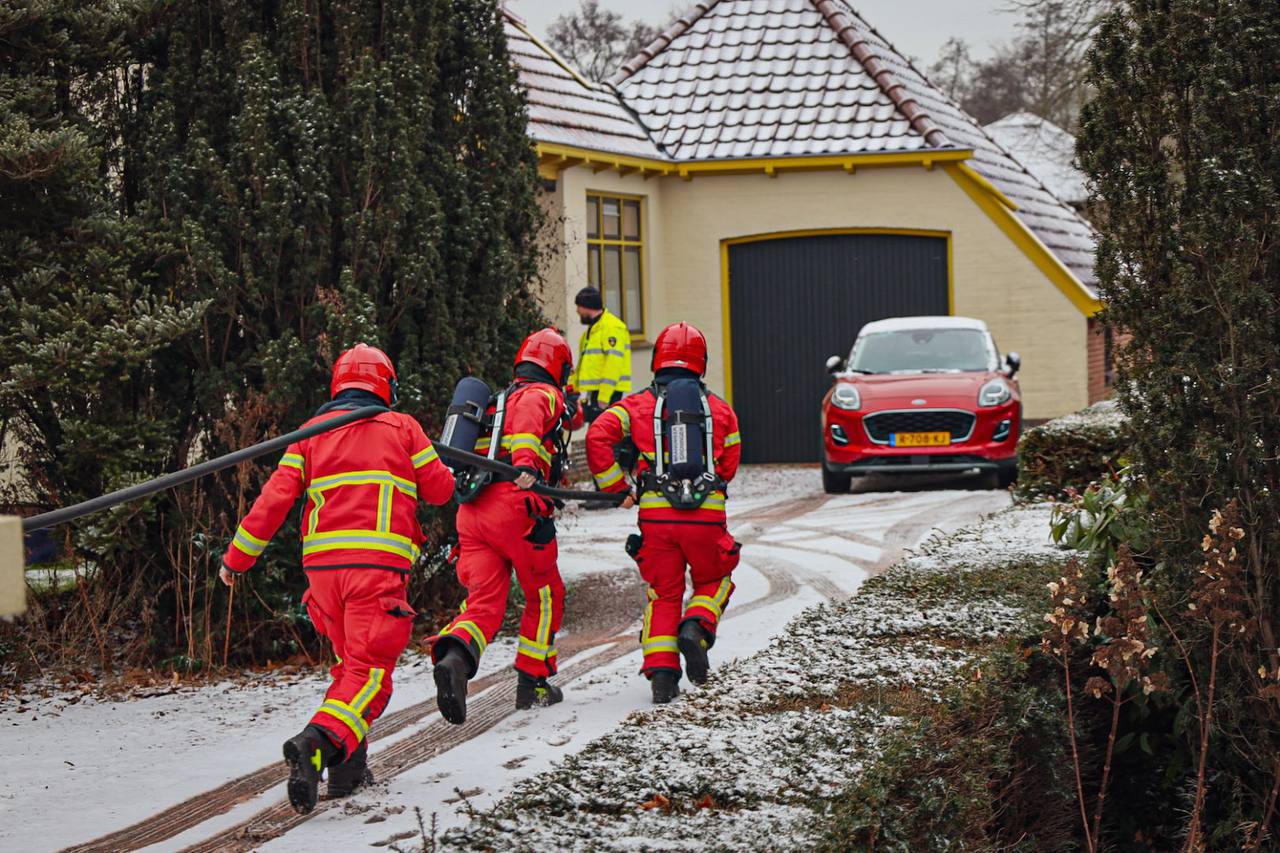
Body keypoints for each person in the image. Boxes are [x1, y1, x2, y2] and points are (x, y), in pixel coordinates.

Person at [219, 344, 455, 815]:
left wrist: (235, 560)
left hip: (323, 579)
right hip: (376, 570)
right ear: (386, 385)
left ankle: (346, 772)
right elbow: (440, 489)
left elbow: (273, 501)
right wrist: (440, 463)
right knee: (372, 676)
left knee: (350, 668)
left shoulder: (310, 433)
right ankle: (317, 742)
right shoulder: (403, 427)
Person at [427, 328, 583, 724]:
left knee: (485, 602)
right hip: (515, 508)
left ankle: (456, 659)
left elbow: (569, 418)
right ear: (558, 368)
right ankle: (534, 682)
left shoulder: (495, 403)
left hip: (474, 514)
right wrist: (529, 465)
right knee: (545, 594)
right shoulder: (539, 395)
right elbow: (530, 426)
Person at [585, 322, 742, 703]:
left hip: (656, 520)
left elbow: (596, 436)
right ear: (700, 364)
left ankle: (662, 676)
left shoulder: (636, 405)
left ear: (656, 360)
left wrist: (615, 487)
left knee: (664, 593)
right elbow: (730, 465)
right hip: (706, 517)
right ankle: (697, 628)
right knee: (715, 578)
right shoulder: (720, 410)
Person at [568, 287, 631, 423]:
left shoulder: (611, 327)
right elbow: (583, 365)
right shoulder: (593, 330)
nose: (577, 310)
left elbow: (613, 364)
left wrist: (604, 396)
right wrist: (573, 390)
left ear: (587, 306)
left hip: (608, 392)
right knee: (597, 434)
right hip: (596, 392)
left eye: (579, 306)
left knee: (603, 434)